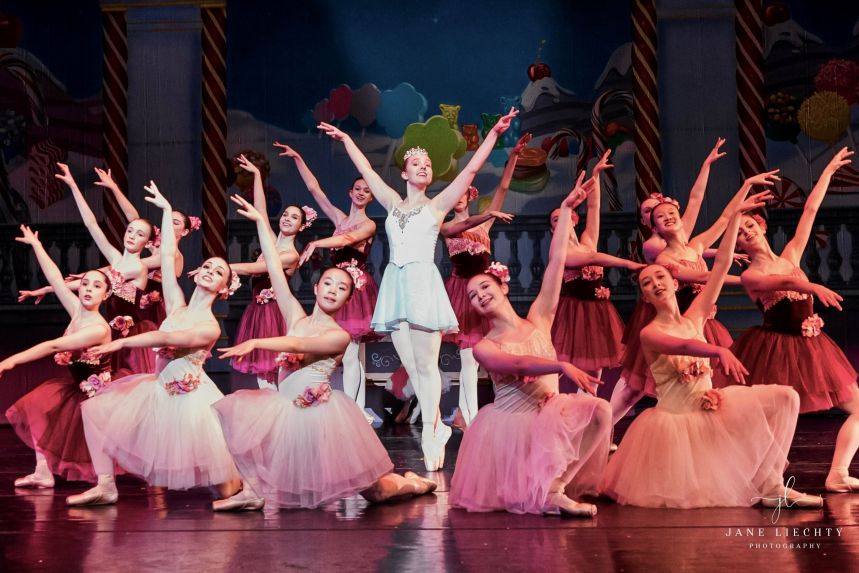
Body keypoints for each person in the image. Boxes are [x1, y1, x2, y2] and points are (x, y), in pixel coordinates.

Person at [318, 108, 517, 471]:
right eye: (418, 164)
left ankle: (430, 432)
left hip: (423, 284)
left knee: (425, 364)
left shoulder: (439, 205)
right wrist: (346, 139)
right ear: (406, 173)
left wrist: (496, 134)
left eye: (428, 164)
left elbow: (471, 170)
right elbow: (366, 171)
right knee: (410, 362)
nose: (424, 167)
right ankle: (438, 422)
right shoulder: (393, 203)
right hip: (396, 284)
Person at [211, 195, 437, 511]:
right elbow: (275, 270)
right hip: (289, 410)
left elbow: (299, 346)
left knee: (377, 492)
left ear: (347, 300)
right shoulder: (296, 317)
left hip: (324, 418)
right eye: (328, 283)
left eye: (341, 288)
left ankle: (414, 483)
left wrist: (258, 343)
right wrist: (262, 222)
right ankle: (253, 492)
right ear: (316, 288)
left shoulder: (338, 335)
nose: (332, 289)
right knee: (259, 436)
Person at [599, 190, 822, 509]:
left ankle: (771, 481)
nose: (656, 284)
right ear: (645, 298)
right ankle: (767, 484)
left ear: (674, 284)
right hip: (678, 420)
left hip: (712, 405)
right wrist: (717, 352)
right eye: (647, 284)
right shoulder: (651, 332)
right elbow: (683, 344)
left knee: (787, 397)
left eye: (660, 277)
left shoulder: (696, 316)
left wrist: (734, 218)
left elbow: (720, 267)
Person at [65, 181, 240, 506]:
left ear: (223, 288)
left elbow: (166, 337)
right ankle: (106, 486)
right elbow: (170, 261)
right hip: (159, 389)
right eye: (208, 266)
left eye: (218, 272)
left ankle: (246, 486)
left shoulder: (208, 326)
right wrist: (163, 211)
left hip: (191, 400)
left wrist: (118, 346)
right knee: (94, 410)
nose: (209, 271)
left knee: (224, 489)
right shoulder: (176, 304)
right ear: (198, 271)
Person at [450, 176, 612, 517]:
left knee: (601, 410)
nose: (479, 295)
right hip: (513, 428)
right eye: (473, 296)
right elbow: (521, 366)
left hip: (549, 416)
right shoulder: (484, 346)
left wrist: (566, 210)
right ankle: (542, 491)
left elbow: (556, 263)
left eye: (484, 287)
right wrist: (561, 366)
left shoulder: (539, 318)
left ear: (503, 288)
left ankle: (556, 487)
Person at [732, 147, 859, 493]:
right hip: (776, 350)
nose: (748, 233)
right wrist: (812, 284)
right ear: (739, 246)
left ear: (760, 225)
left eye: (750, 226)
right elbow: (785, 283)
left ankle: (838, 472)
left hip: (813, 348)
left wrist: (829, 172)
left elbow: (810, 210)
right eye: (740, 233)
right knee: (779, 418)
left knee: (858, 406)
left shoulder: (789, 255)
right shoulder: (751, 275)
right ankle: (766, 476)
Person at [609, 168, 780, 422]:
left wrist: (746, 185)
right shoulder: (665, 258)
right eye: (659, 216)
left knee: (718, 384)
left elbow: (723, 219)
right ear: (654, 227)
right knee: (635, 390)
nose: (667, 217)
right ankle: (603, 427)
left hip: (704, 323)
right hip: (679, 327)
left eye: (671, 213)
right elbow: (705, 278)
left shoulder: (696, 246)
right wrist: (749, 280)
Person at [20, 163, 157, 375]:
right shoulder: (116, 259)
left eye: (140, 234)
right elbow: (92, 225)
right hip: (109, 333)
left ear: (148, 242)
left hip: (130, 340)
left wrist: (52, 288)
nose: (132, 236)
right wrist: (73, 185)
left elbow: (103, 278)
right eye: (130, 230)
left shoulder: (137, 268)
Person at [277, 142, 379, 420]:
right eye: (358, 188)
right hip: (334, 287)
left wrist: (317, 242)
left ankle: (355, 410)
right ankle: (336, 403)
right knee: (336, 355)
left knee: (352, 354)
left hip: (354, 289)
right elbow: (315, 190)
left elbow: (347, 239)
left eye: (367, 190)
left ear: (371, 197)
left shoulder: (368, 224)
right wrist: (298, 156)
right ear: (351, 192)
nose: (361, 193)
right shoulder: (339, 217)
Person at [3, 226, 112, 486]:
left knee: (103, 443)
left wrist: (12, 360)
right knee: (39, 407)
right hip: (76, 387)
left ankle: (110, 485)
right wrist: (36, 245)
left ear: (105, 295)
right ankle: (43, 472)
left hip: (98, 395)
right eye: (85, 283)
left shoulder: (97, 328)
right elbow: (55, 278)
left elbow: (54, 346)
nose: (88, 289)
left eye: (96, 286)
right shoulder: (77, 311)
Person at [439, 133, 527, 428]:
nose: (460, 195)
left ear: (471, 194)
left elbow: (503, 186)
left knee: (490, 352)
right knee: (467, 357)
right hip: (461, 293)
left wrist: (513, 155)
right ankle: (471, 415)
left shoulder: (486, 223)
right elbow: (463, 225)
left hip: (485, 294)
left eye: (465, 190)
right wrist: (487, 214)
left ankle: (494, 408)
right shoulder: (447, 225)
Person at [549, 151, 643, 383]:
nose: (561, 218)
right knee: (565, 363)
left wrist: (596, 175)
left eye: (565, 214)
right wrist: (628, 263)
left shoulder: (586, 241)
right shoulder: (562, 251)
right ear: (553, 229)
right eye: (555, 219)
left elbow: (593, 209)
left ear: (574, 219)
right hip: (574, 312)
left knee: (597, 361)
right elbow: (593, 258)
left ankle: (590, 399)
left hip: (598, 311)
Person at [228, 154, 307, 390]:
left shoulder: (290, 255)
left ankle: (281, 412)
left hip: (275, 313)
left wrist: (224, 267)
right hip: (258, 310)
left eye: (294, 217)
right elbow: (261, 213)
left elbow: (258, 268)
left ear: (301, 227)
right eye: (285, 214)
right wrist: (256, 176)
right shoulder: (272, 243)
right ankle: (272, 412)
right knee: (263, 372)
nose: (287, 219)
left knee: (278, 369)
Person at [94, 166, 198, 327]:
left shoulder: (173, 254)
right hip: (138, 301)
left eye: (175, 222)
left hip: (155, 308)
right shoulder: (155, 243)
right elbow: (134, 218)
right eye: (167, 219)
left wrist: (94, 274)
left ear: (184, 232)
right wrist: (114, 187)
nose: (168, 224)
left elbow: (129, 266)